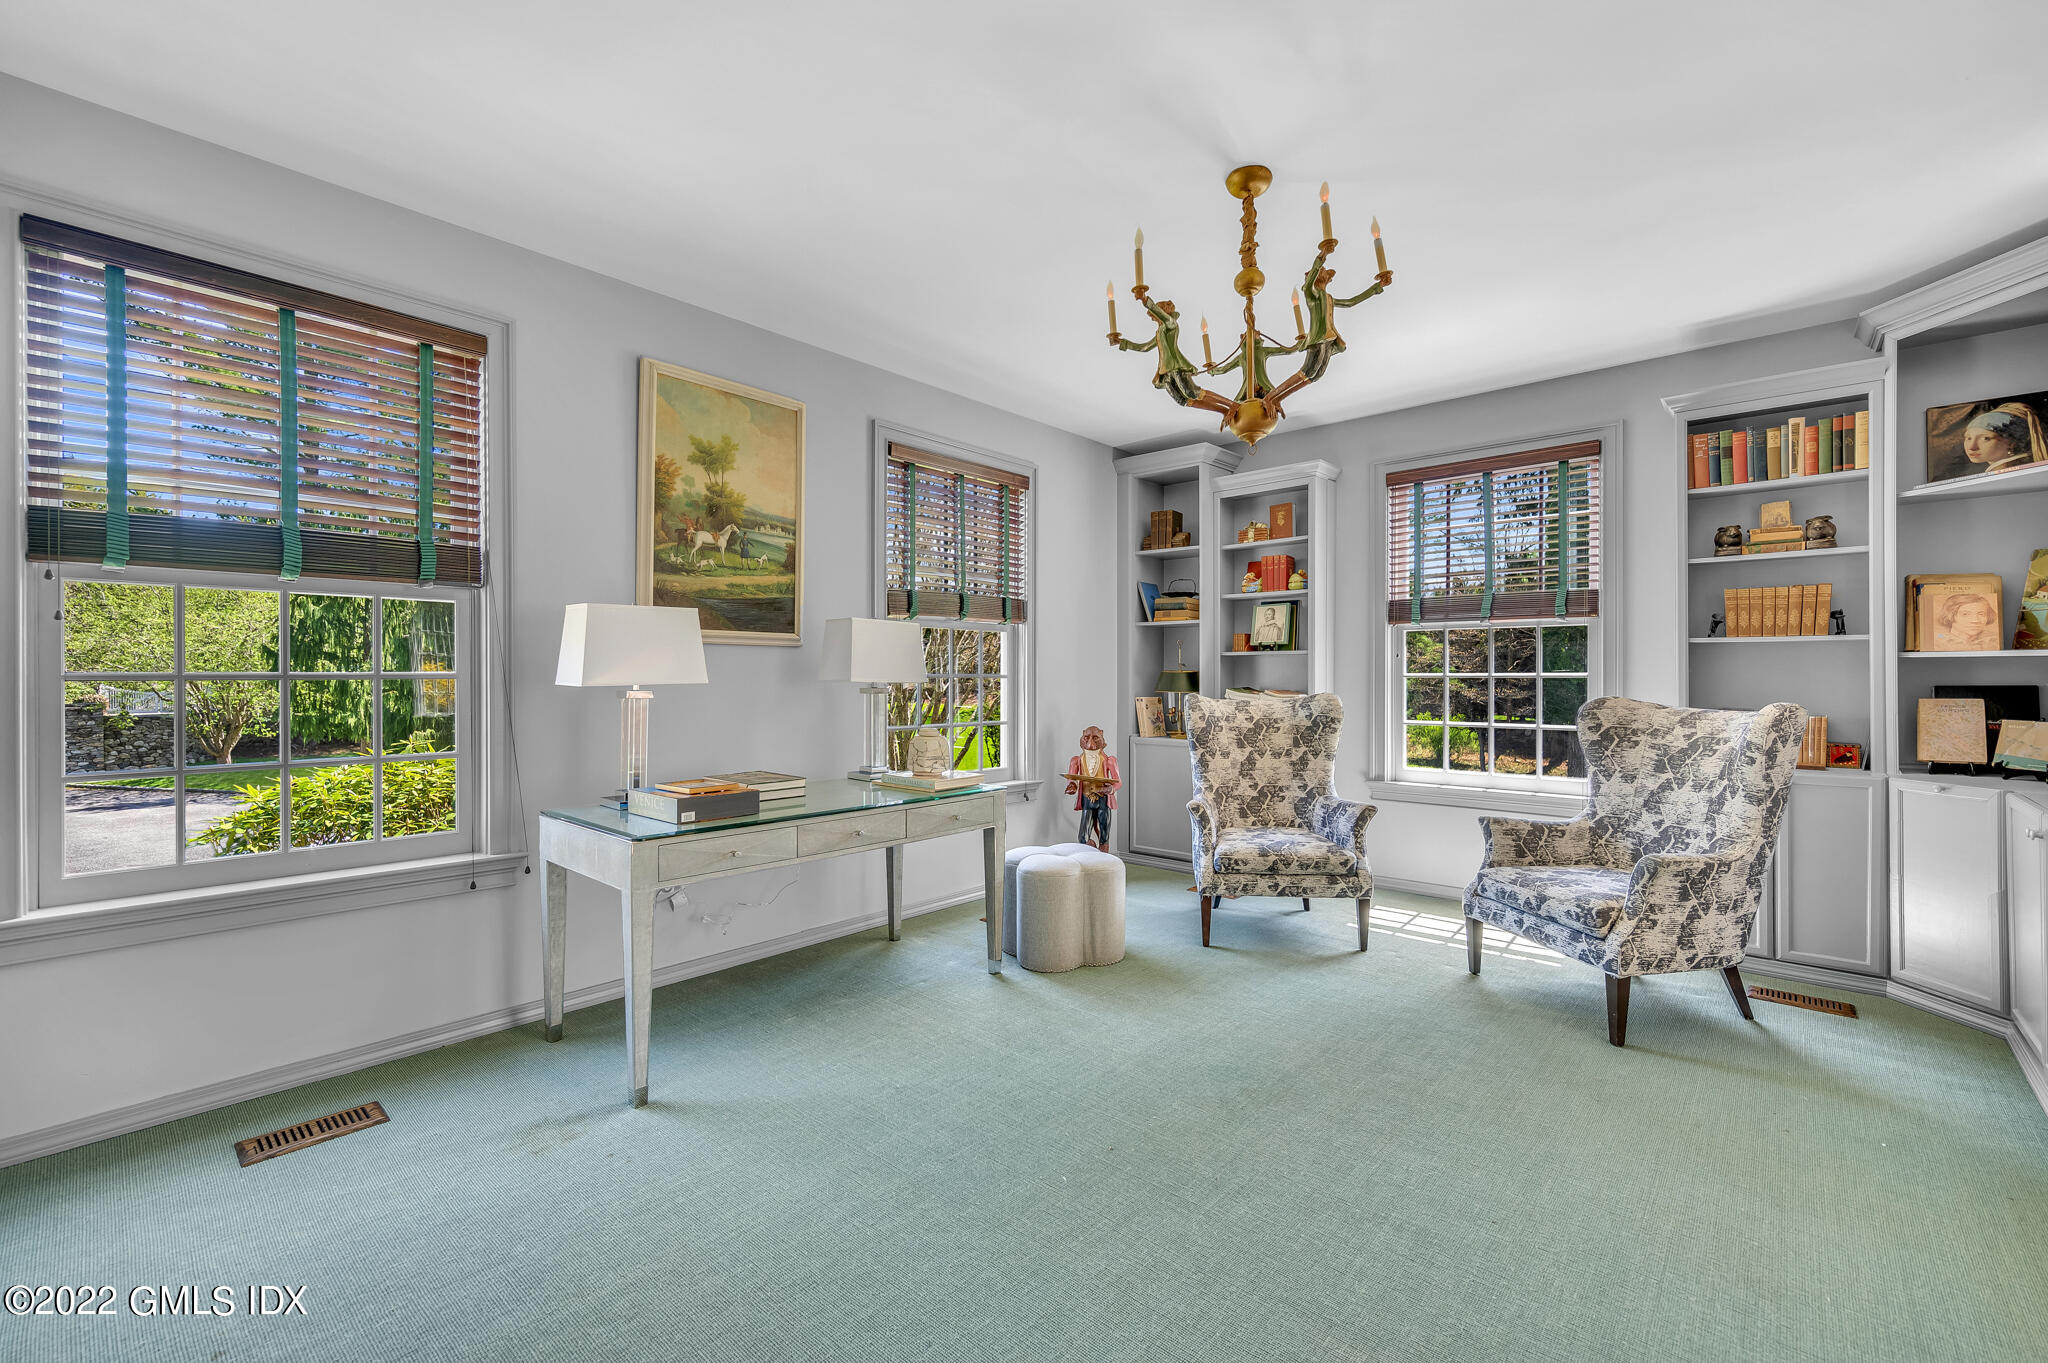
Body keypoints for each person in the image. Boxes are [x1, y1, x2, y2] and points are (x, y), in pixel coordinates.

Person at [1264, 251, 1393, 411]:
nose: (1325, 274)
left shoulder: (1329, 297)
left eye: (1324, 272)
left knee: (1316, 375)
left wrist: (1378, 286)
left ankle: (1277, 399)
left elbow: (1351, 302)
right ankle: (1271, 397)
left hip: (1330, 339)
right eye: (1322, 272)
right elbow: (1309, 284)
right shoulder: (1312, 295)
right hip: (1318, 339)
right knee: (1307, 370)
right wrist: (1320, 258)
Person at [1112, 297, 1238, 420]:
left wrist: (1146, 301)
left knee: (1192, 392)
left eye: (1153, 315)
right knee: (1181, 400)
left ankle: (1232, 404)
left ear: (1162, 312)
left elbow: (1163, 317)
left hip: (1176, 366)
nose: (1152, 318)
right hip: (1164, 371)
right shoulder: (1159, 331)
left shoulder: (1171, 324)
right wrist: (1122, 343)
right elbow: (1144, 347)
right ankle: (1223, 411)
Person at [1064, 726, 1121, 850]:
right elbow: (1071, 778)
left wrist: (1110, 789)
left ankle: (1103, 859)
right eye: (1087, 738)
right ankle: (1090, 851)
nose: (1090, 744)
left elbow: (1118, 782)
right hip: (1087, 800)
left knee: (1104, 835)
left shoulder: (1110, 760)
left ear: (1101, 738)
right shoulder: (1076, 760)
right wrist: (1072, 786)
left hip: (1103, 801)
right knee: (1082, 837)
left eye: (1095, 738)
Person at [1961, 402, 2048, 475]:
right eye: (1968, 438)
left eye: (1985, 438)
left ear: (2011, 443)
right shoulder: (2027, 462)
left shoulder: (2002, 472)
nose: (1972, 447)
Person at [1931, 591, 2002, 651]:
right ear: (1951, 615)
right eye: (1965, 614)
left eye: (1981, 614)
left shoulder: (1994, 641)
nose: (1975, 620)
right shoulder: (1937, 642)